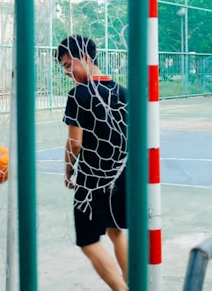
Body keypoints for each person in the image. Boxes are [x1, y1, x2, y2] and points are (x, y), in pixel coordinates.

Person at [56, 35, 129, 291]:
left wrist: (68, 169)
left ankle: (122, 289)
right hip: (122, 175)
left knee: (88, 241)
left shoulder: (79, 94)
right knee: (116, 231)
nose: (66, 72)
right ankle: (135, 284)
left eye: (68, 65)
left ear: (85, 58)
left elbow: (75, 143)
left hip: (92, 179)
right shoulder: (121, 91)